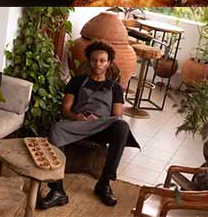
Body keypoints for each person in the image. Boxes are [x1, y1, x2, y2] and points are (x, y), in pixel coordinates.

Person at [37, 40, 140, 209]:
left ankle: (104, 183)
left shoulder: (115, 88)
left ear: (109, 63)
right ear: (88, 61)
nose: (97, 64)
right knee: (56, 128)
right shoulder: (77, 82)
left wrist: (99, 119)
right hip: (77, 125)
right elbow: (65, 110)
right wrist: (76, 117)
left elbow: (116, 116)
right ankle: (57, 190)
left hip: (101, 127)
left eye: (102, 60)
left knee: (121, 126)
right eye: (94, 60)